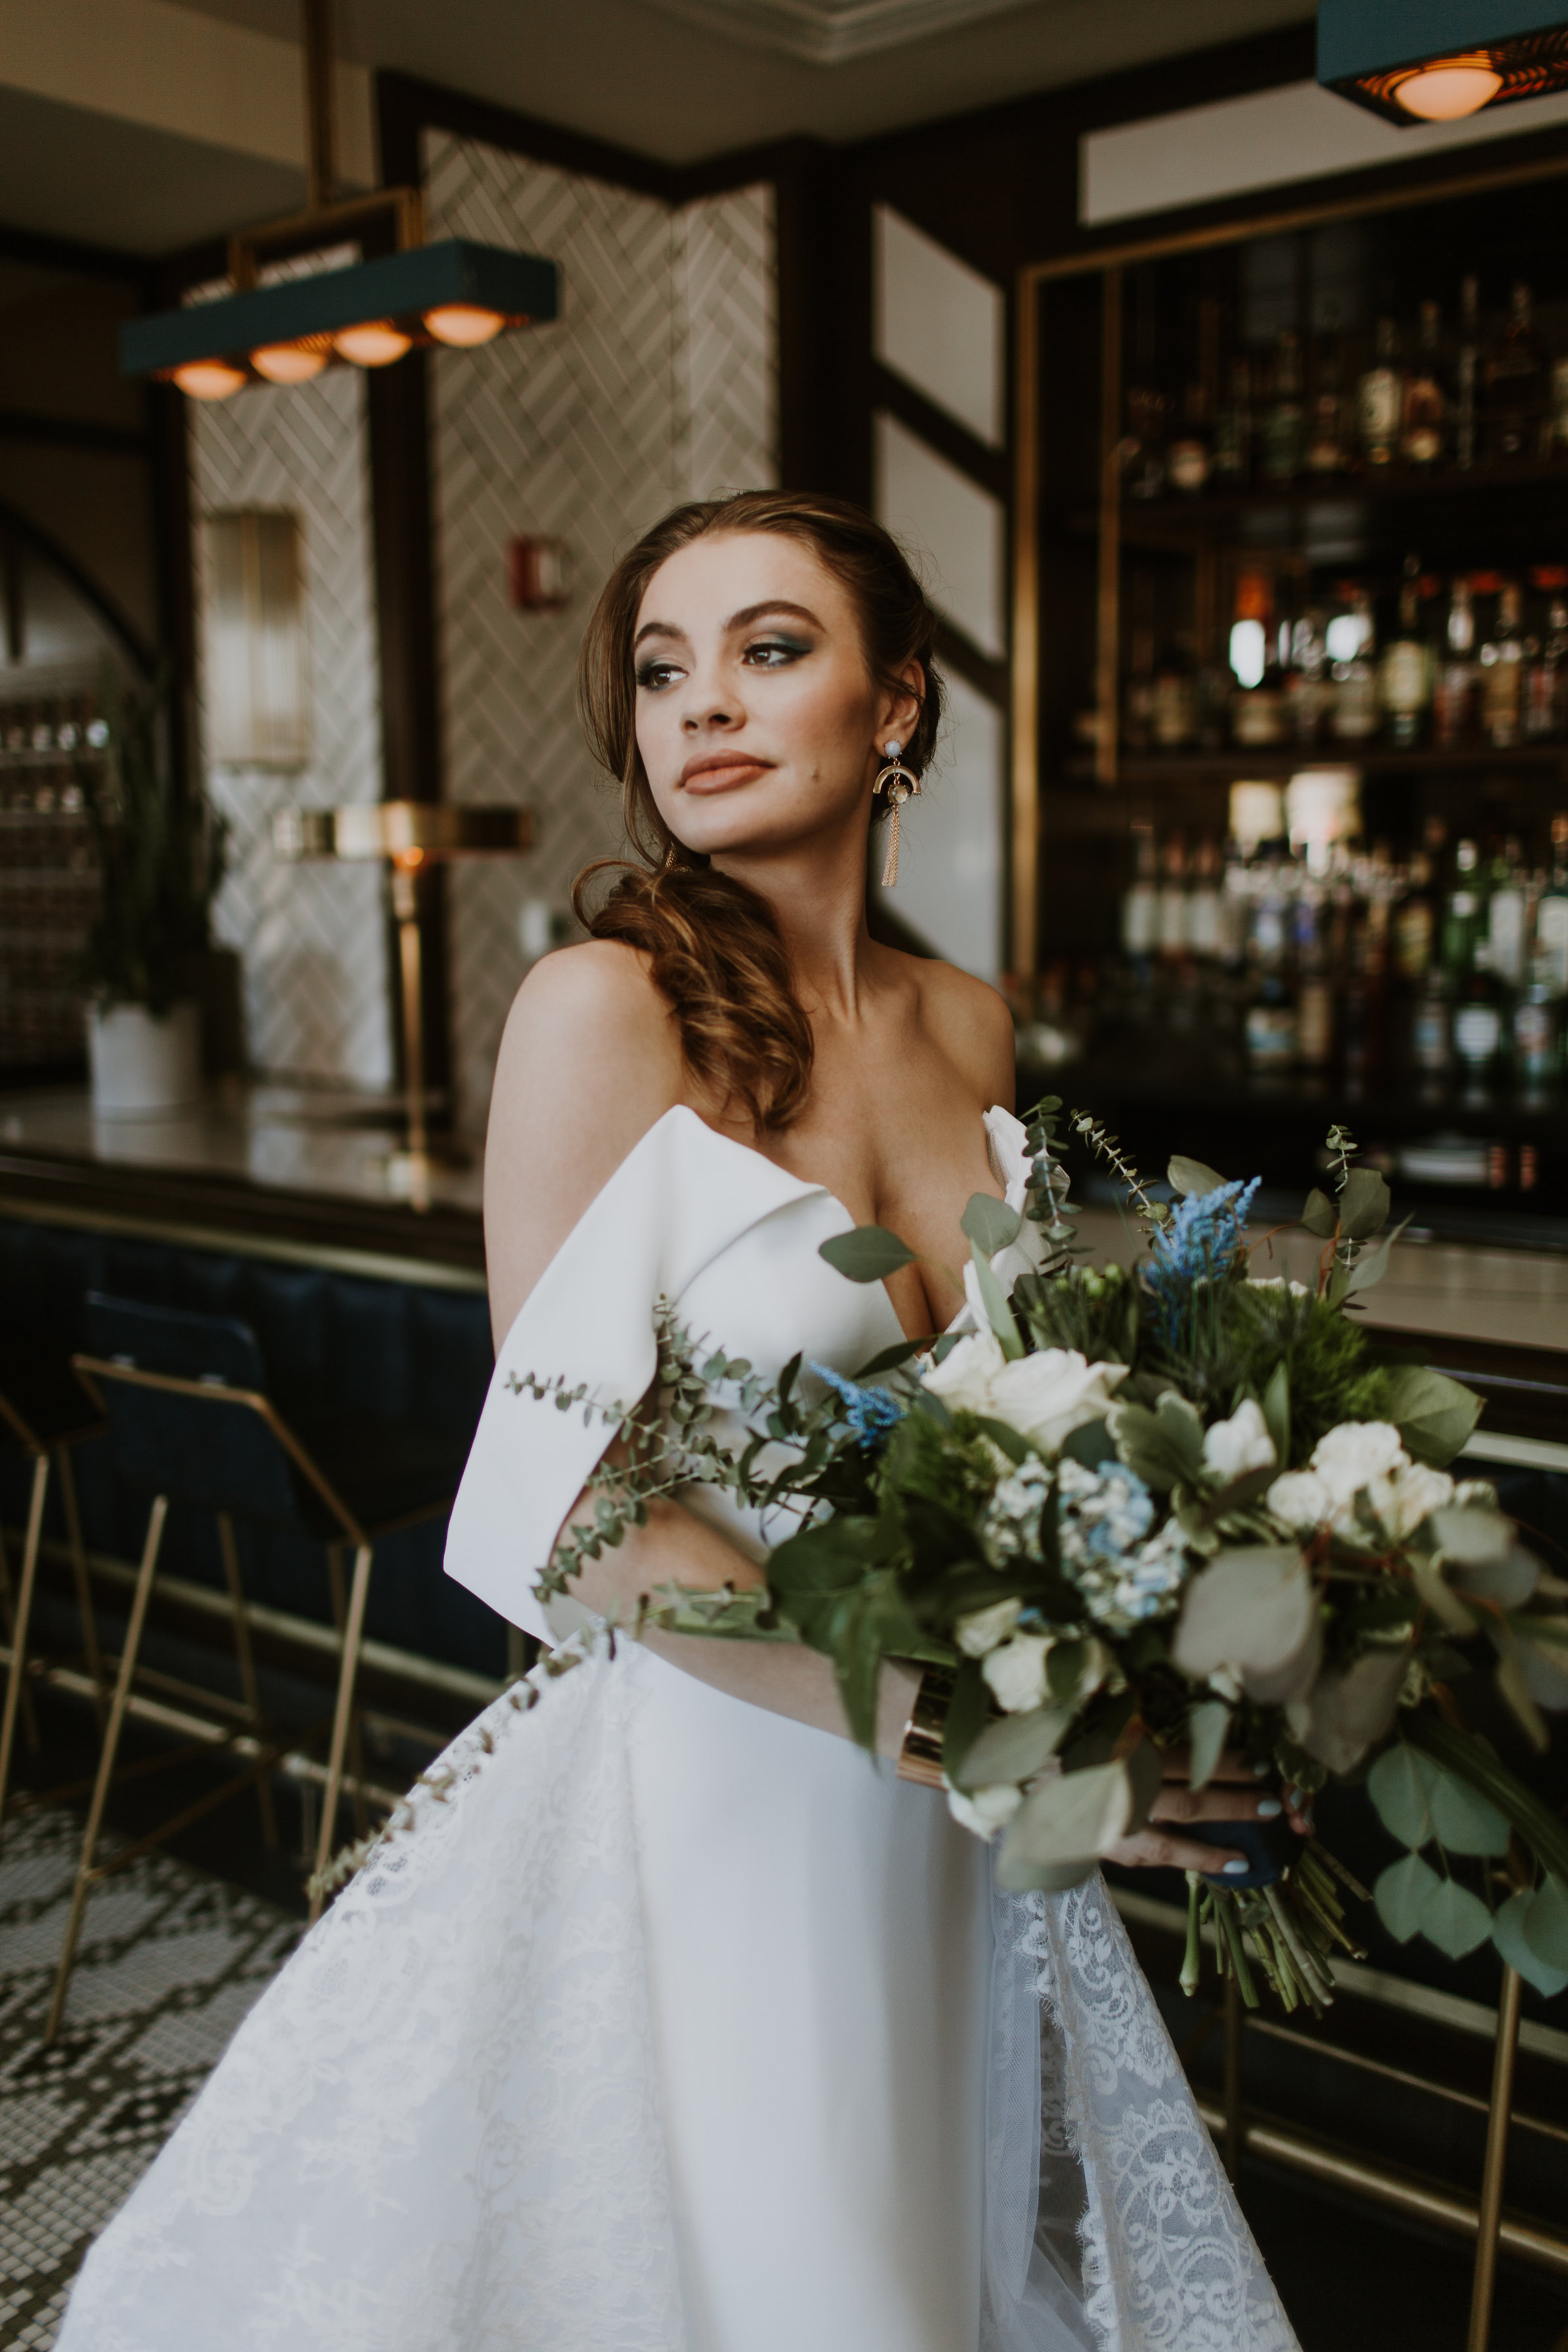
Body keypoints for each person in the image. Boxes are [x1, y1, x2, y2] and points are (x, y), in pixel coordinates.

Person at [57, 491, 1299, 2352]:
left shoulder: (970, 1022)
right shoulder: (601, 1012)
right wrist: (964, 1728)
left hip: (943, 1839)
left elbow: (1022, 1429)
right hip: (726, 1798)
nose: (700, 703)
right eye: (660, 668)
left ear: (897, 706)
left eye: (768, 650)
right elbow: (576, 1509)